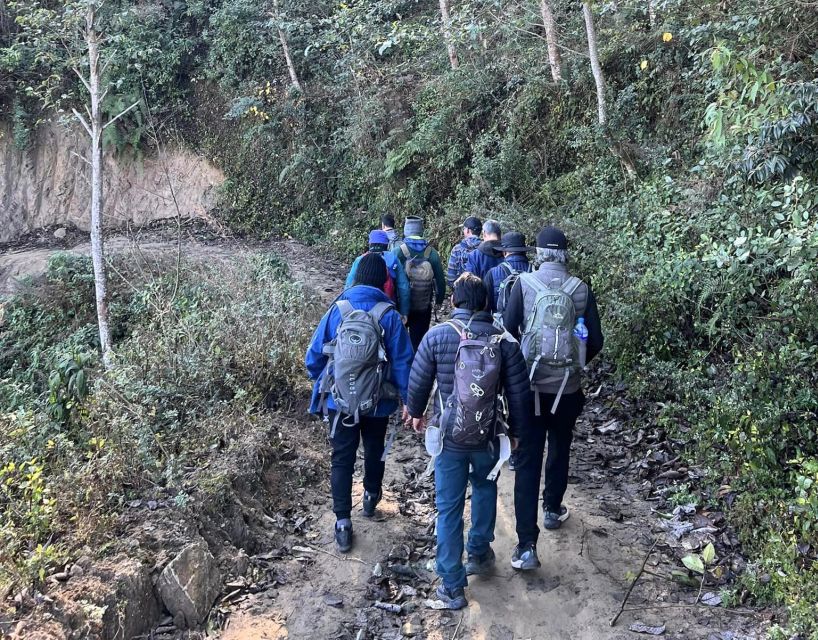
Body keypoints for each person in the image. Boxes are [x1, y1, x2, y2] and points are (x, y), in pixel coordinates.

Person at [405, 274, 530, 609]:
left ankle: (451, 584)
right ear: (486, 303)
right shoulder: (505, 341)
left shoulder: (437, 335)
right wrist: (516, 433)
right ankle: (478, 552)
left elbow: (418, 380)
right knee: (486, 487)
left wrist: (416, 412)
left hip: (449, 437)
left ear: (454, 301)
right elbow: (519, 395)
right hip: (489, 434)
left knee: (449, 507)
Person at [502, 226, 604, 571]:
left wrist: (518, 374)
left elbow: (508, 330)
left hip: (529, 390)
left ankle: (527, 546)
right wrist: (574, 367)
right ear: (565, 255)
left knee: (528, 460)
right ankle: (552, 510)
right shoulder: (581, 290)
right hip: (568, 389)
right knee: (561, 447)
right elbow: (597, 340)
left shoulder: (523, 285)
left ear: (538, 254)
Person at [306, 253, 414, 553]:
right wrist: (409, 400)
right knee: (374, 450)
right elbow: (404, 362)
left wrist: (327, 382)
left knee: (342, 457)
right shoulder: (389, 315)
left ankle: (342, 521)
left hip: (340, 402)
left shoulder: (338, 309)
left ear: (355, 277)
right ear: (384, 281)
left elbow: (313, 356)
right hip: (378, 401)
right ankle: (370, 497)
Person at [393, 216, 446, 351]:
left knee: (400, 342)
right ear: (421, 231)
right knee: (419, 342)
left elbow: (391, 277)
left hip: (401, 306)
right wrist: (439, 301)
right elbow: (440, 280)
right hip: (423, 305)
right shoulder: (432, 253)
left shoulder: (398, 251)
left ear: (406, 230)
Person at [346, 230, 411, 319]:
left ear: (370, 244)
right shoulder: (393, 259)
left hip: (359, 309)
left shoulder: (360, 260)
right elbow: (404, 288)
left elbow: (349, 286)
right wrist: (404, 312)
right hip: (387, 310)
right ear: (387, 244)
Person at [483, 231, 533, 315]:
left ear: (504, 252)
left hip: (500, 325)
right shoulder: (534, 271)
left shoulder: (493, 273)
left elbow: (486, 305)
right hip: (529, 325)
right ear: (524, 251)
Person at [445, 216, 482, 289]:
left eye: (464, 228)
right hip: (481, 292)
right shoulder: (485, 248)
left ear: (468, 230)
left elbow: (451, 277)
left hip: (461, 292)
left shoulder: (457, 249)